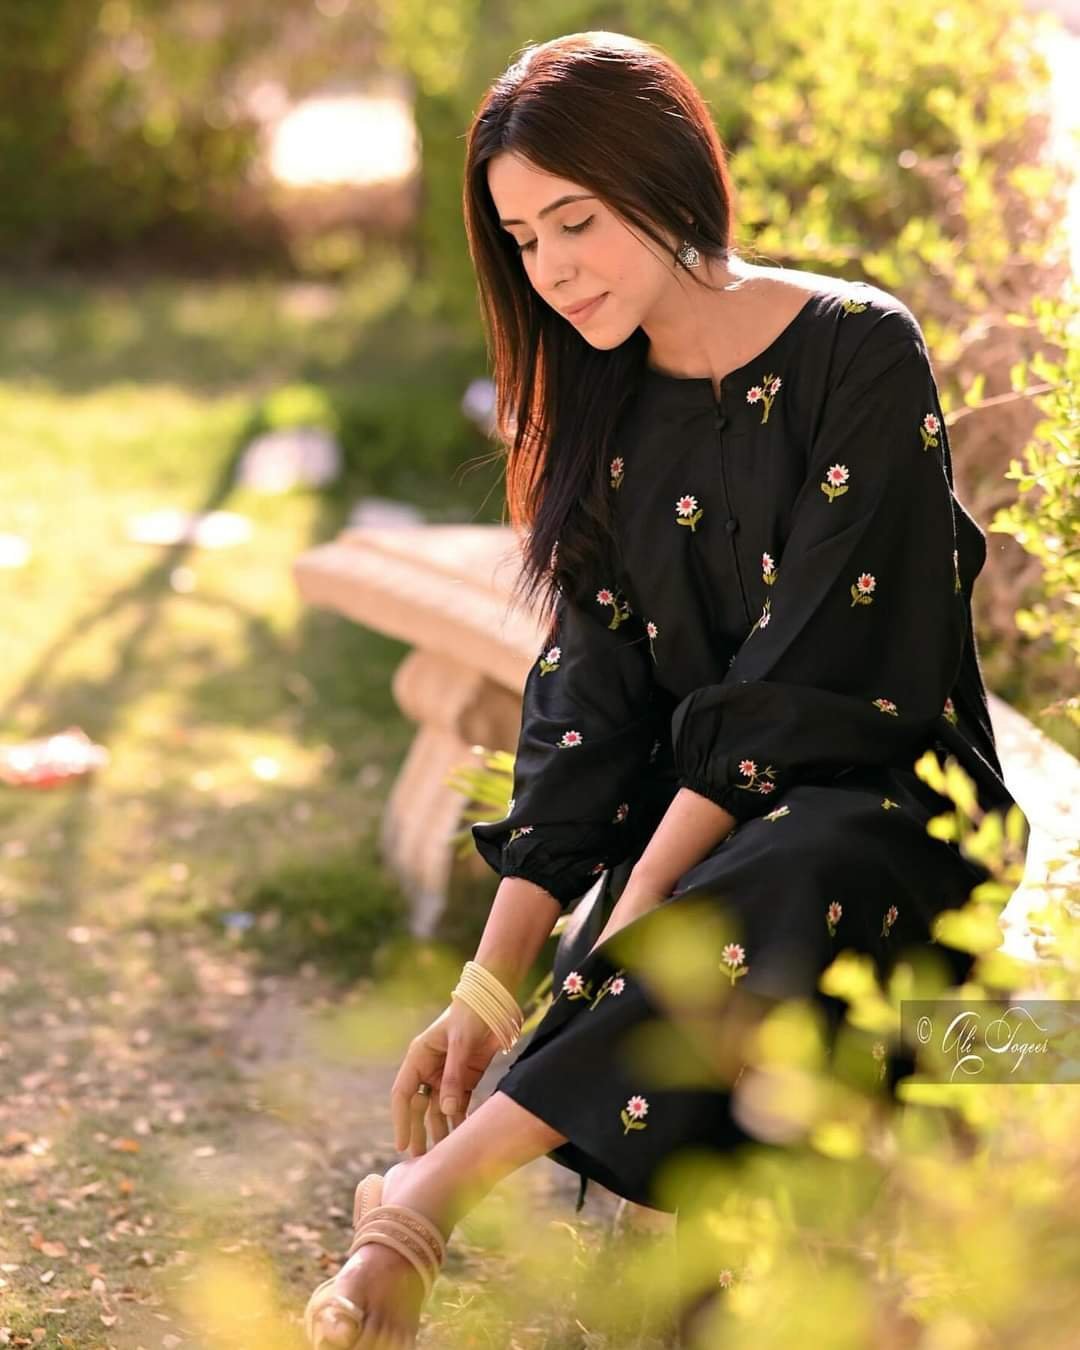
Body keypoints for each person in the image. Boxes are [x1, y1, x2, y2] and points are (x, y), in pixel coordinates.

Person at [303, 28, 1027, 1349]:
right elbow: (588, 712)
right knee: (737, 948)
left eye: (575, 221)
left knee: (794, 863)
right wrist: (488, 987)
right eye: (523, 239)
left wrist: (634, 914)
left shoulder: (858, 352)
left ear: (666, 179)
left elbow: (811, 680)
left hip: (897, 827)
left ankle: (420, 1202)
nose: (552, 268)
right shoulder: (602, 413)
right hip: (715, 865)